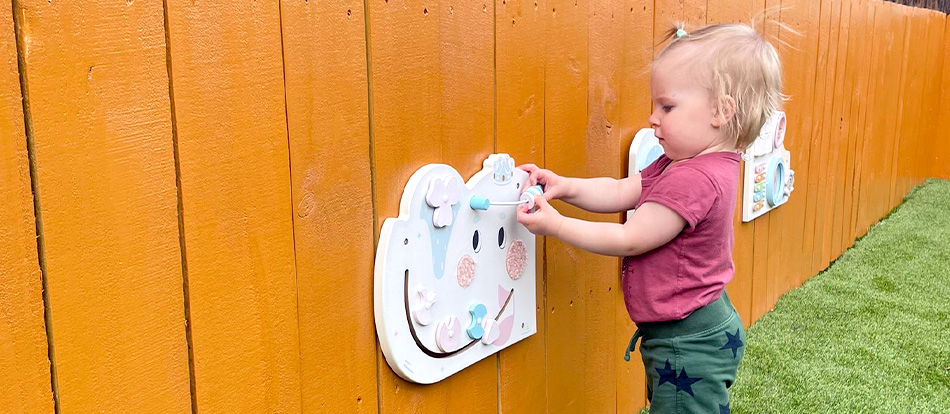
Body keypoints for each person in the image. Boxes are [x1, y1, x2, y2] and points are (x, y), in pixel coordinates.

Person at [516, 22, 784, 413]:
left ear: (721, 111)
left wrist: (555, 225)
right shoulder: (687, 162)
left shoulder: (694, 177)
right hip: (691, 330)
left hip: (688, 341)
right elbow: (622, 190)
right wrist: (565, 185)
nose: (652, 117)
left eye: (667, 106)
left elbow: (631, 238)